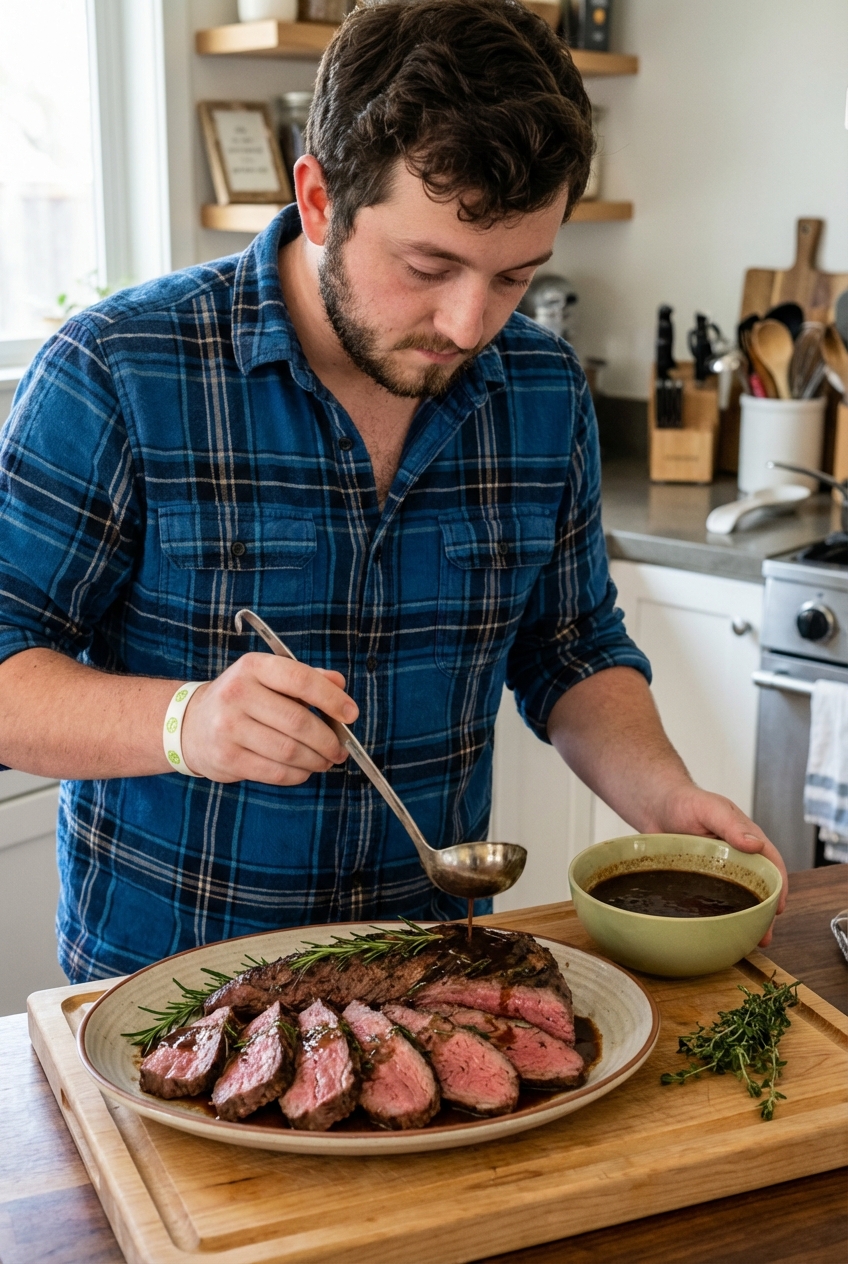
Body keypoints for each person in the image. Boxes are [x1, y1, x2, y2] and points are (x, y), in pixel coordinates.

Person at [0, 0, 786, 983]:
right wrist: (183, 722)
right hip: (171, 996)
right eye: (428, 266)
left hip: (431, 980)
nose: (467, 324)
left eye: (513, 277)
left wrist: (664, 798)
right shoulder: (118, 369)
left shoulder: (542, 390)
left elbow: (570, 648)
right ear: (319, 198)